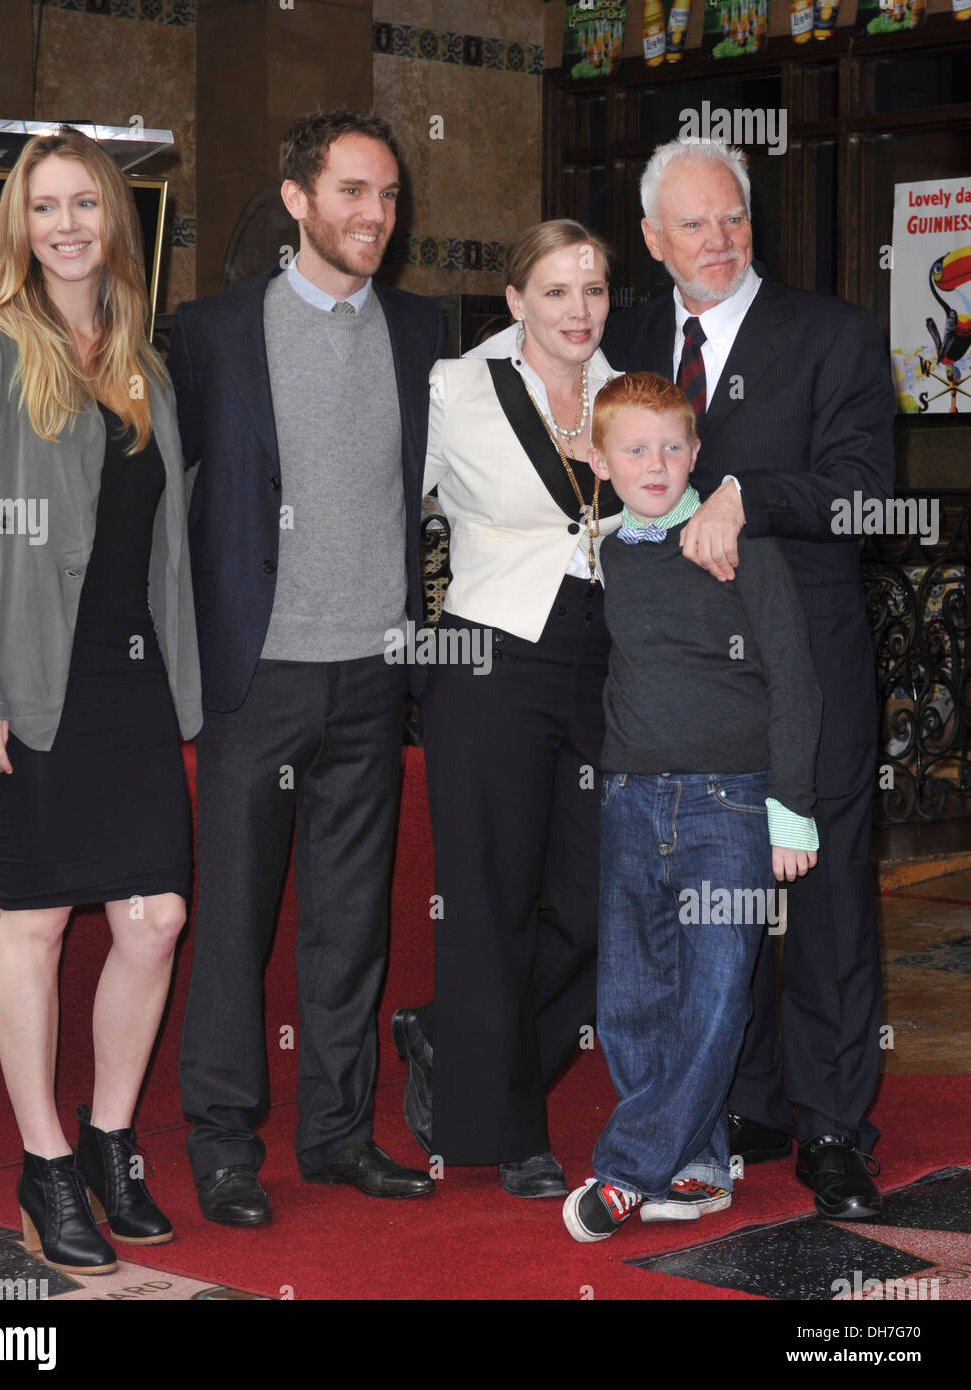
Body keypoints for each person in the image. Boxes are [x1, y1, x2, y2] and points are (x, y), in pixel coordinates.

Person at [602, 137, 894, 1219]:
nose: (717, 240)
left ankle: (831, 1128)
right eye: (692, 224)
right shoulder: (628, 338)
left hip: (800, 673)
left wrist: (746, 493)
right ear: (650, 238)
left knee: (819, 906)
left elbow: (866, 494)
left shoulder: (831, 334)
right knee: (706, 911)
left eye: (731, 218)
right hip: (675, 704)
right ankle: (745, 1102)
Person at [0, 127, 203, 1275]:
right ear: (18, 228)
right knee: (37, 918)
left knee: (154, 918)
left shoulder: (144, 358)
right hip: (32, 682)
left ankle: (105, 1141)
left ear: (114, 218)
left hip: (131, 678)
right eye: (44, 208)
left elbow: (166, 542)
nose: (67, 227)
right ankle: (43, 1165)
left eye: (85, 204)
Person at [170, 108, 444, 1224]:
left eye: (387, 197)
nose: (375, 215)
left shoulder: (424, 334)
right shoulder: (209, 333)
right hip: (258, 675)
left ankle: (337, 1134)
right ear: (296, 200)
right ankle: (225, 1144)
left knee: (352, 918)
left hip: (374, 674)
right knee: (231, 919)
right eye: (352, 193)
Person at [392, 220, 623, 1197]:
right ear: (516, 301)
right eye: (558, 290)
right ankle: (509, 1129)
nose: (579, 310)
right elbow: (389, 511)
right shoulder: (455, 391)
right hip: (490, 656)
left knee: (596, 898)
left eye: (596, 289)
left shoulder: (630, 396)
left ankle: (449, 1036)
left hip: (607, 660)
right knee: (491, 898)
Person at [562, 370, 822, 1241]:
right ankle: (700, 1169)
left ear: (698, 452)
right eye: (635, 448)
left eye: (674, 446)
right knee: (631, 1000)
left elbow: (794, 679)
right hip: (632, 800)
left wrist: (792, 809)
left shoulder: (740, 544)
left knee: (713, 996)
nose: (657, 463)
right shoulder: (607, 550)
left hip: (735, 804)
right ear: (600, 460)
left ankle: (628, 1171)